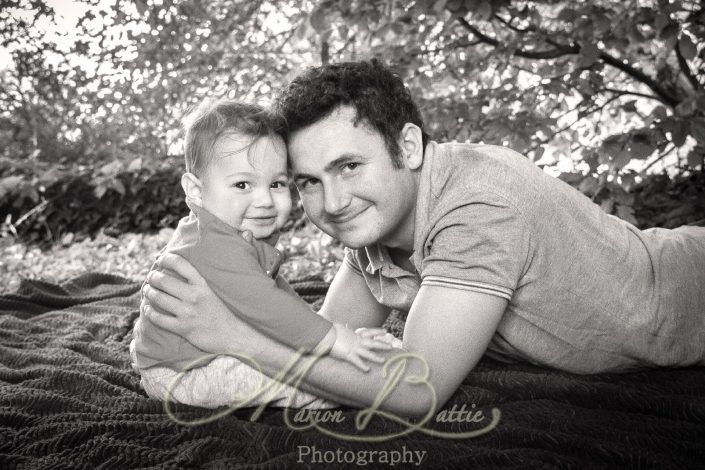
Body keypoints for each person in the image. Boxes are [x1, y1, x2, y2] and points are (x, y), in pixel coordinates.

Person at [137, 60, 705, 417]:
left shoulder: (479, 203)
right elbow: (332, 343)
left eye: (350, 166)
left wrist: (233, 337)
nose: (332, 203)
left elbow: (415, 392)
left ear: (408, 147)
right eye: (308, 181)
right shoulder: (372, 228)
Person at [130, 99, 397, 409]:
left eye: (277, 183)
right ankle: (336, 396)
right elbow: (267, 305)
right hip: (184, 372)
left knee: (300, 347)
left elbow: (271, 294)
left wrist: (316, 330)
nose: (265, 200)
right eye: (242, 184)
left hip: (188, 357)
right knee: (299, 382)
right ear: (195, 190)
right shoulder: (213, 244)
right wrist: (337, 340)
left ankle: (351, 363)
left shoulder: (224, 231)